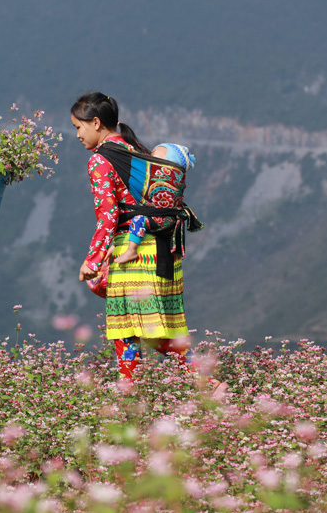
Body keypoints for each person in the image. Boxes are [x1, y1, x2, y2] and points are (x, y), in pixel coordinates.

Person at [71, 92, 225, 395]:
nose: (77, 134)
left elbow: (108, 215)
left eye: (79, 127)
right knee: (151, 326)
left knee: (125, 327)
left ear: (97, 123)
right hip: (163, 249)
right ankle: (159, 388)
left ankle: (134, 393)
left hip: (134, 252)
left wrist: (92, 260)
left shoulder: (101, 160)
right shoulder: (136, 150)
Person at [113, 142, 196, 265]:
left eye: (154, 154)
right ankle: (116, 246)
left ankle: (131, 250)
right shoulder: (178, 177)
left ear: (168, 160)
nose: (150, 157)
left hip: (162, 219)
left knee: (138, 220)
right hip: (169, 218)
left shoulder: (164, 176)